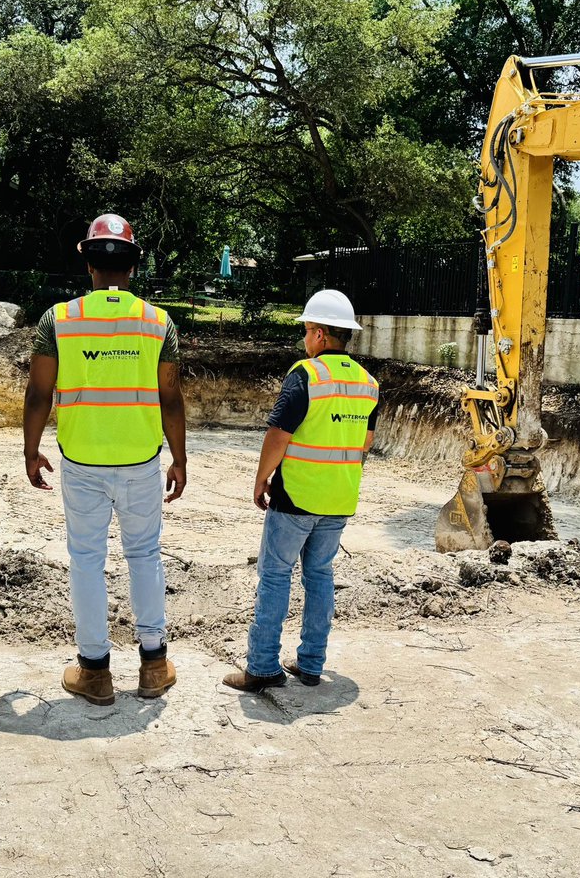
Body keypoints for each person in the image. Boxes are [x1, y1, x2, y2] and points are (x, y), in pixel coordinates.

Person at [23, 214, 187, 706]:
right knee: (144, 556)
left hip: (82, 462)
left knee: (88, 561)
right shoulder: (158, 322)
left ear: (87, 262)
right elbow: (172, 394)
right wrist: (179, 458)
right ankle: (154, 665)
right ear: (133, 266)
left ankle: (94, 671)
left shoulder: (60, 319)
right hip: (141, 460)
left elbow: (38, 392)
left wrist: (30, 450)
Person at [223, 290, 379, 692]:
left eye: (308, 330)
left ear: (323, 336)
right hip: (339, 498)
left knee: (275, 576)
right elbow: (365, 442)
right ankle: (311, 665)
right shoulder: (368, 384)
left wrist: (262, 477)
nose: (305, 338)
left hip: (295, 497)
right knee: (320, 576)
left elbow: (279, 434)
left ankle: (261, 667)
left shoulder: (306, 375)